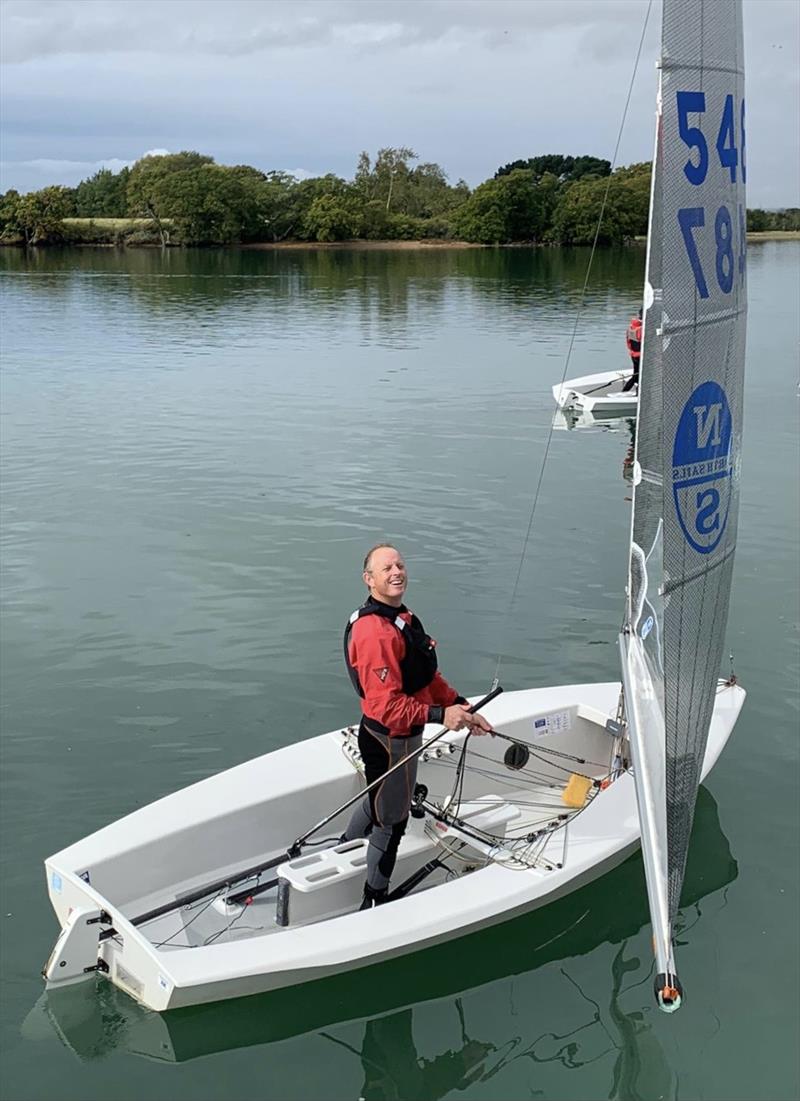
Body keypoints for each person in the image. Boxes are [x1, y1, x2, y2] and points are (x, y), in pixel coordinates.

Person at [342, 543, 492, 909]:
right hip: (387, 738)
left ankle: (344, 844)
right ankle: (374, 898)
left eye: (400, 565)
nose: (396, 572)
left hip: (405, 736)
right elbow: (386, 705)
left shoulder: (403, 618)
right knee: (392, 822)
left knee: (383, 798)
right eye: (386, 568)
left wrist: (458, 704)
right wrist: (441, 717)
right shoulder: (375, 632)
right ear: (369, 579)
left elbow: (426, 675)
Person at [622, 308, 643, 392]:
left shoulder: (631, 326)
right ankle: (625, 391)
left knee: (636, 374)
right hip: (641, 356)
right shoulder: (643, 328)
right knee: (637, 376)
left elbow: (628, 342)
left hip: (633, 355)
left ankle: (634, 391)